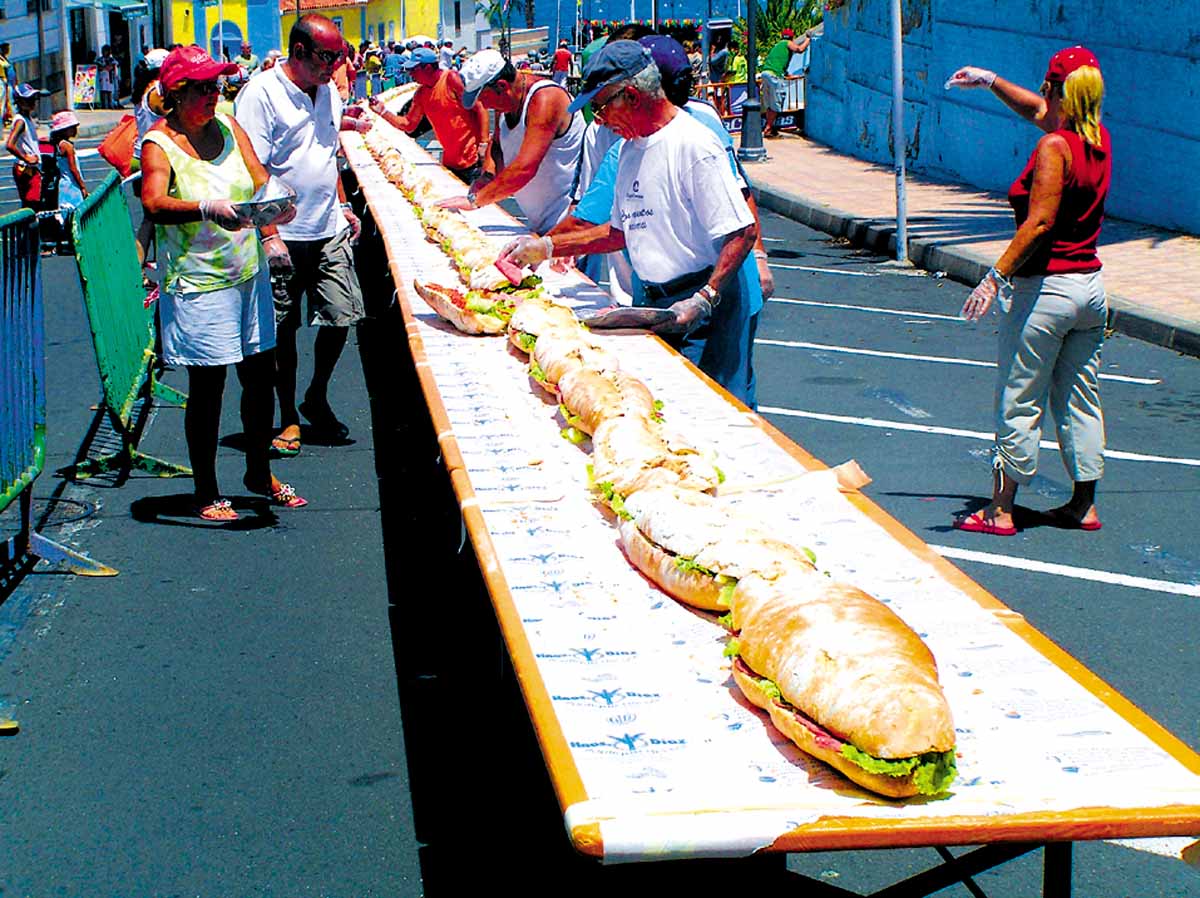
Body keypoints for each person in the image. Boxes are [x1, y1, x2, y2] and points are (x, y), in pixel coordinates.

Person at [502, 41, 759, 406]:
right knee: (663, 406)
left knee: (704, 411)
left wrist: (705, 298)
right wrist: (547, 246)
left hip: (699, 304)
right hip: (656, 300)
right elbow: (620, 233)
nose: (600, 119)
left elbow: (742, 231)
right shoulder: (628, 150)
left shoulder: (693, 145)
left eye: (601, 106)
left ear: (633, 97)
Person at [948, 46, 1111, 536]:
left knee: (1019, 397)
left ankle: (999, 509)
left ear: (1060, 91)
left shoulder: (1053, 149)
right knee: (1080, 397)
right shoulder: (1095, 138)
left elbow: (1039, 222)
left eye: (1046, 83)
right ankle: (1084, 505)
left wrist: (994, 276)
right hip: (1090, 290)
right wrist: (991, 78)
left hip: (1047, 292)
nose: (1040, 90)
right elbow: (1039, 112)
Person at [140, 45, 306, 520]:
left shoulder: (230, 126)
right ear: (177, 93)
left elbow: (259, 181)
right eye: (204, 88)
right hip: (198, 283)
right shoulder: (160, 142)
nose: (215, 95)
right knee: (209, 388)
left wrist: (275, 217)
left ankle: (258, 470)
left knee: (259, 378)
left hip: (245, 274)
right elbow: (152, 201)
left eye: (217, 86)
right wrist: (204, 207)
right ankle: (207, 489)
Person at [236, 14, 366, 457]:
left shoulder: (327, 90)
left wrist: (344, 205)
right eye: (327, 57)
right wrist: (269, 235)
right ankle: (288, 413)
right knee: (283, 330)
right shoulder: (260, 95)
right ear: (299, 52)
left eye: (340, 57)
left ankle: (316, 395)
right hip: (283, 234)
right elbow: (253, 172)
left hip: (326, 225)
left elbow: (326, 154)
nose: (335, 66)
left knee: (342, 314)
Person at [438, 49, 584, 236]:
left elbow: (525, 168)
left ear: (501, 86)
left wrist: (476, 200)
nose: (485, 106)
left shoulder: (545, 99)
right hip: (538, 222)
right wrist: (487, 177)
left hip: (568, 224)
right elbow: (497, 146)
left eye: (483, 98)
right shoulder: (506, 102)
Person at [368, 47, 488, 184]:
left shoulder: (451, 79)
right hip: (451, 162)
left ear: (428, 68)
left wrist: (484, 143)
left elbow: (480, 107)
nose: (411, 73)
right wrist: (382, 111)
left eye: (414, 69)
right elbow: (408, 124)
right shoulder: (421, 94)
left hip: (474, 161)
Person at [6, 84, 47, 211]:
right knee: (33, 205)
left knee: (32, 203)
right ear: (19, 101)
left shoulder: (26, 118)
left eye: (33, 98)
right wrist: (25, 158)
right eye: (28, 100)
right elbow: (9, 144)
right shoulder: (20, 121)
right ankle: (30, 230)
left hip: (31, 167)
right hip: (27, 168)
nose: (32, 102)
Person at [761, 28, 809, 137]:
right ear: (791, 38)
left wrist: (791, 76)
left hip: (765, 73)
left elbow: (780, 65)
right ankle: (768, 129)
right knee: (777, 103)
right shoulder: (787, 43)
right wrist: (808, 39)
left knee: (770, 104)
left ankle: (770, 127)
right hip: (774, 76)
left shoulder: (777, 46)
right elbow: (800, 49)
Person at [49, 109, 88, 239]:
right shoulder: (68, 147)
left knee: (66, 212)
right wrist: (82, 186)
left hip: (63, 183)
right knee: (76, 211)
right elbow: (73, 168)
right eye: (72, 128)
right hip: (72, 184)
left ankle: (65, 237)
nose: (75, 130)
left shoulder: (59, 145)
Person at [0, 44, 13, 125]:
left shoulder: (4, 59)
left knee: (8, 102)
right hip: (2, 82)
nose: (8, 50)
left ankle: (7, 119)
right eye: (6, 48)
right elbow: (5, 66)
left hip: (8, 83)